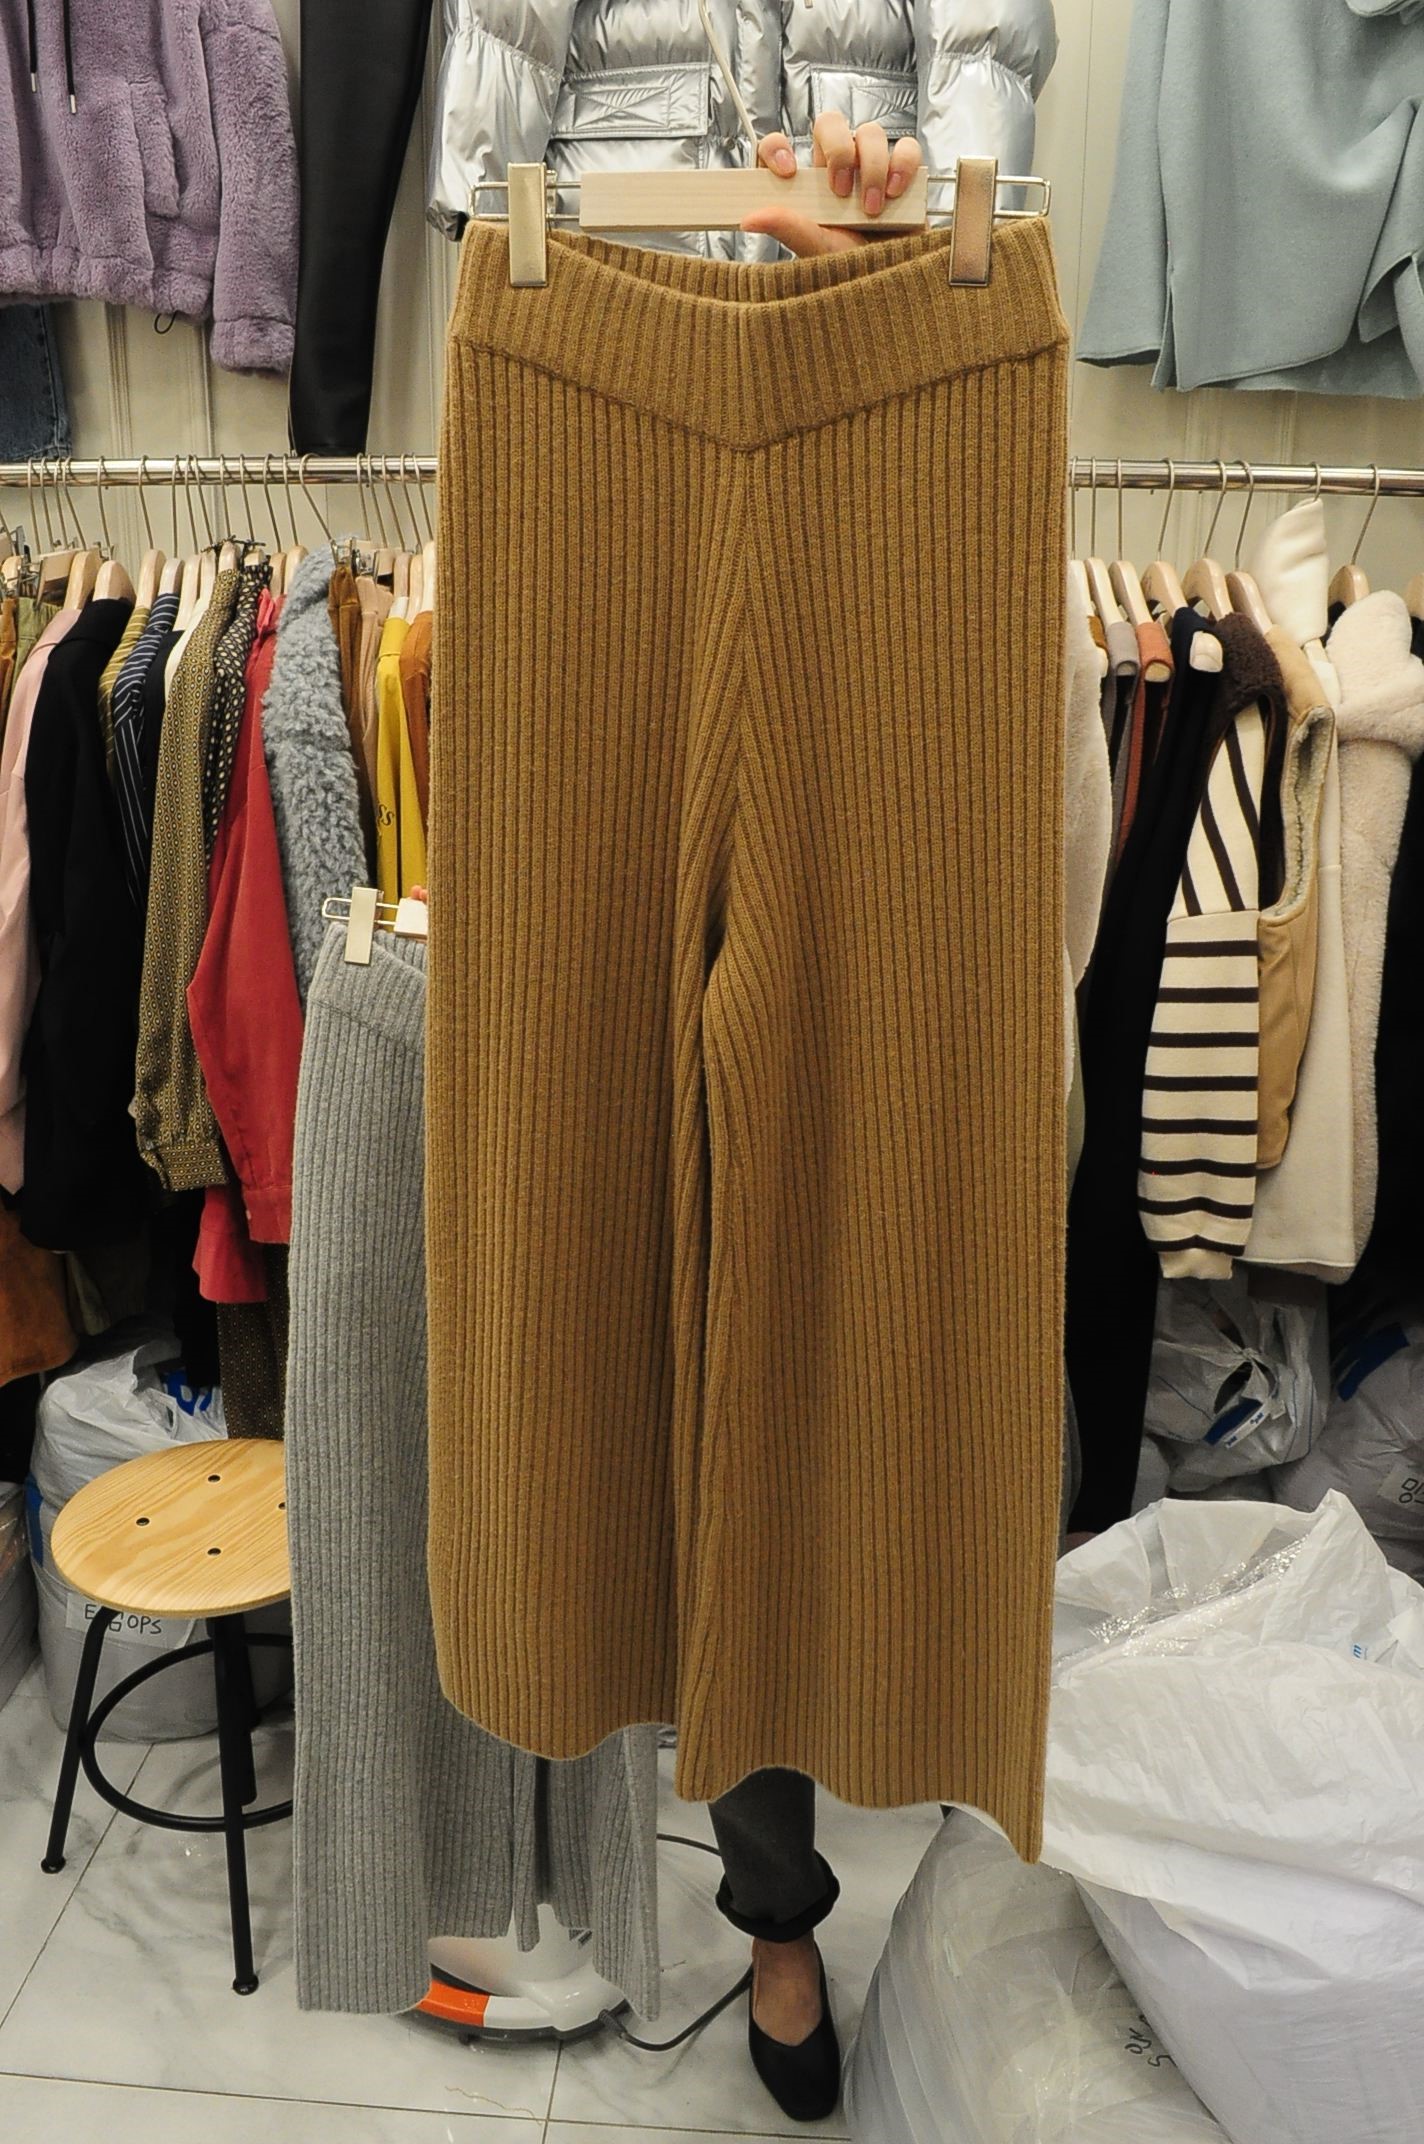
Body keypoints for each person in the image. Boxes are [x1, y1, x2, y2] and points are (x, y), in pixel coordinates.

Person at [702, 109, 926, 2128]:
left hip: (908, 439)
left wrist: (905, 276)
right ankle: (772, 1904)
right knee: (680, 1371)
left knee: (894, 1301)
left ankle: (945, 1743)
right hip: (606, 414)